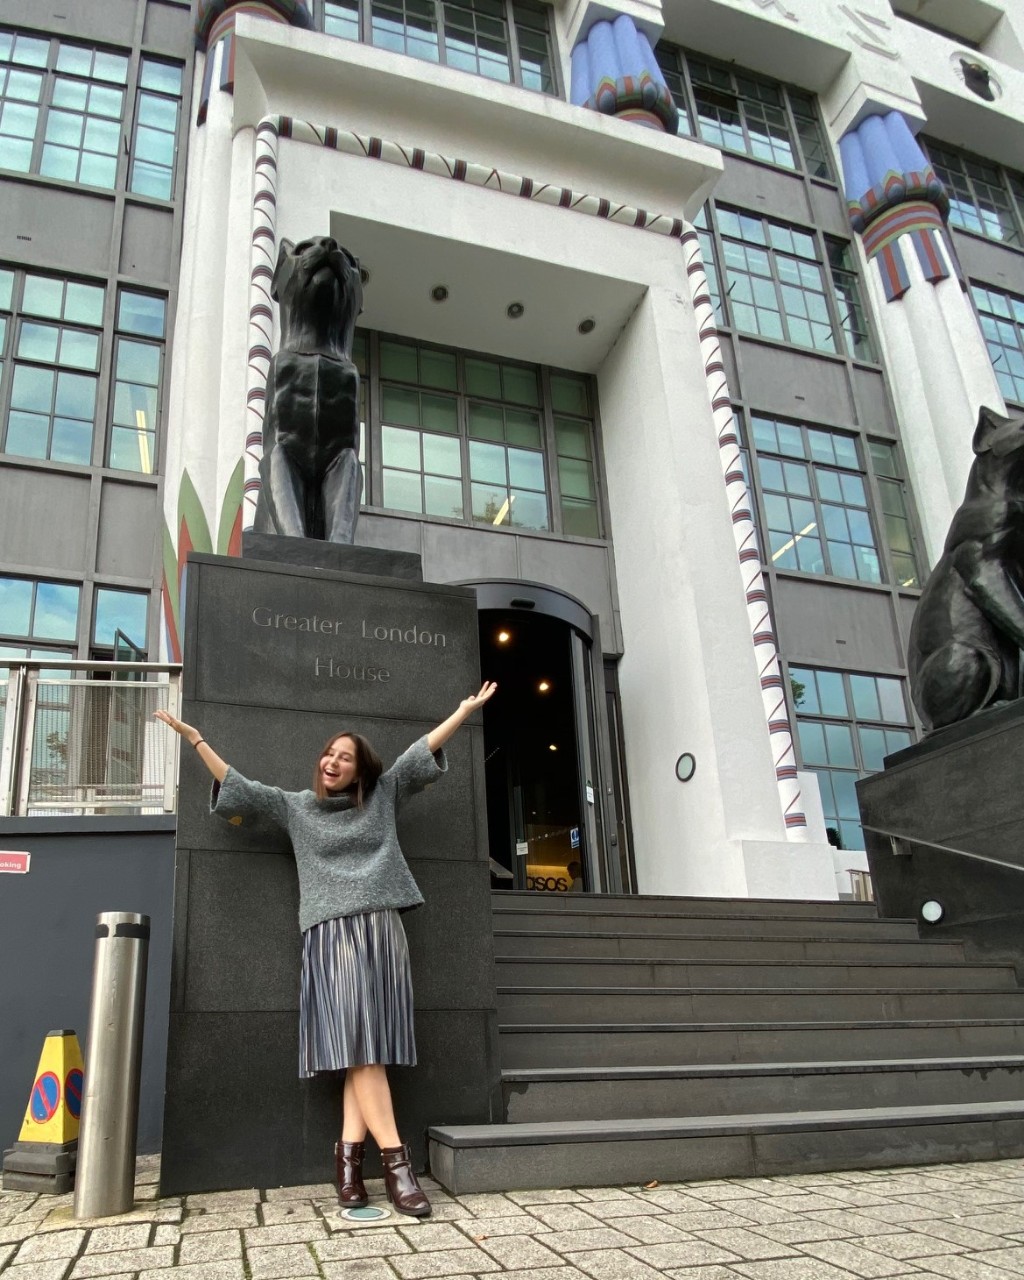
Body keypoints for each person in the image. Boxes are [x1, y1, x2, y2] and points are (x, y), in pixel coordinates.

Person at [154, 681, 497, 1218]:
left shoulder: (383, 796)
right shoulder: (297, 808)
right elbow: (240, 786)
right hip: (331, 933)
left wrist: (462, 711)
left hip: (383, 929)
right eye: (329, 754)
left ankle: (347, 1170)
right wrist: (196, 740)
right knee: (359, 1048)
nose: (333, 761)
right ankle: (396, 1165)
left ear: (361, 770)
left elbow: (420, 753)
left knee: (367, 1050)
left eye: (345, 756)